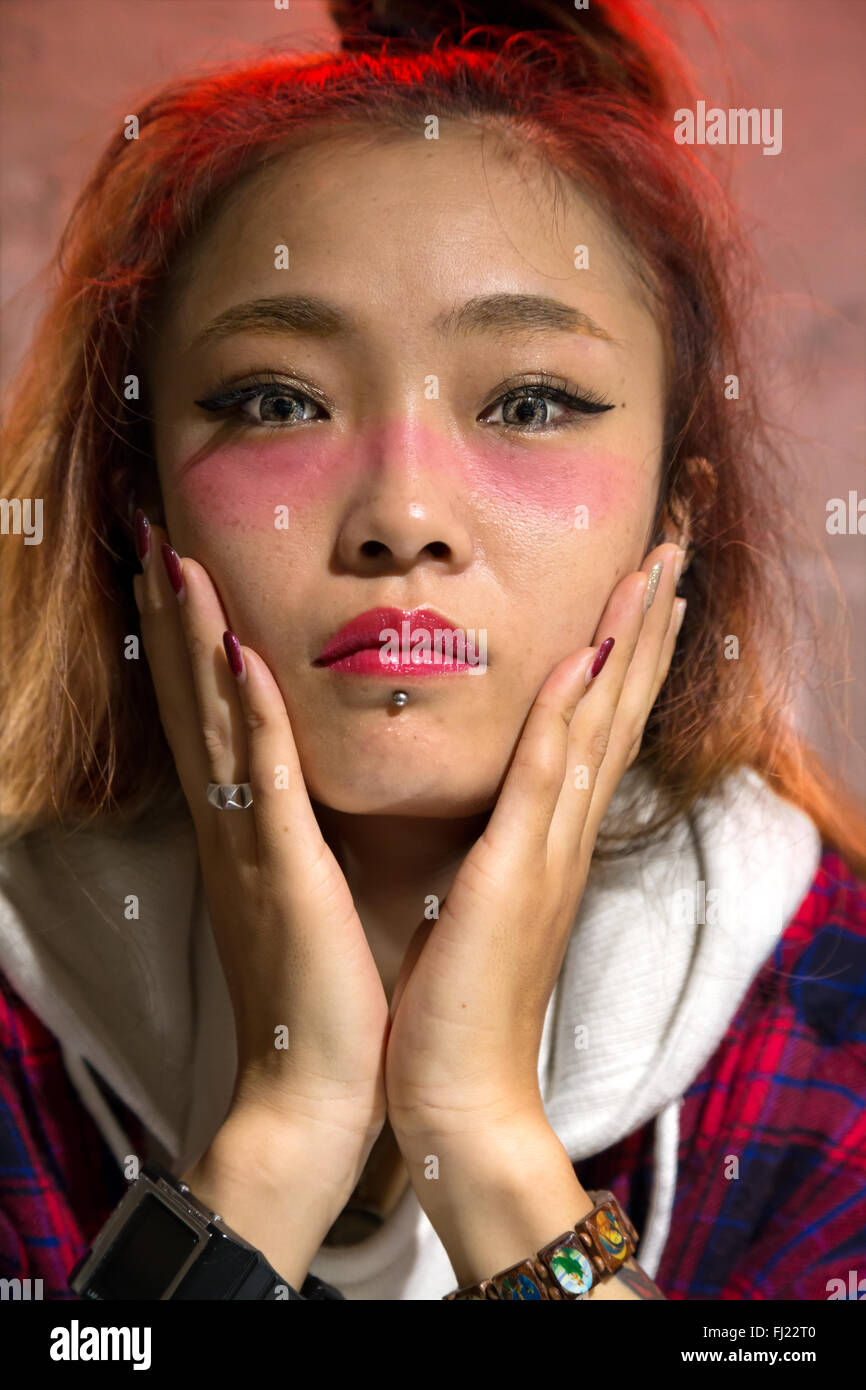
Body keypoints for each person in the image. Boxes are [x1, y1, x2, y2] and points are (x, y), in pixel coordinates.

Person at [1, 0, 864, 1302]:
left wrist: (491, 1150)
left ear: (670, 525)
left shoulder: (827, 1021)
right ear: (145, 515)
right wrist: (282, 1130)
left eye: (528, 402)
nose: (402, 516)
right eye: (277, 399)